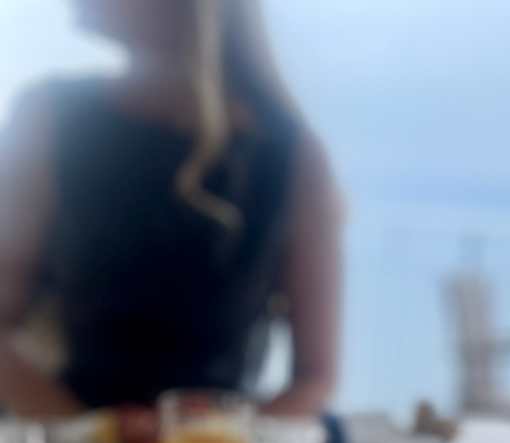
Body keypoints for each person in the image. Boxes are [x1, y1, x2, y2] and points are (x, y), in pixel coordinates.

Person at [0, 0, 341, 419]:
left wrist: (230, 440)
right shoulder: (46, 117)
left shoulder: (291, 155)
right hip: (64, 441)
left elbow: (315, 378)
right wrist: (91, 436)